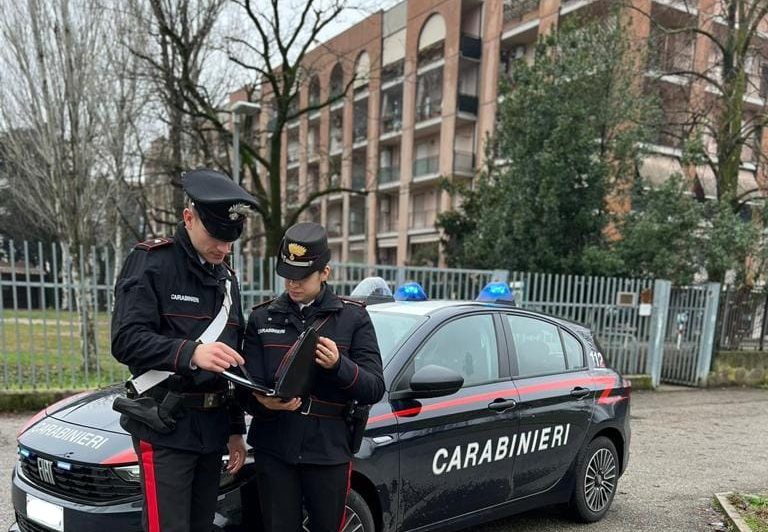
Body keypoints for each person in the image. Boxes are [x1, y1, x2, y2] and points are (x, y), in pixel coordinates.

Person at [111, 168, 257, 532]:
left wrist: (235, 430)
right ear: (188, 218)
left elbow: (230, 361)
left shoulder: (226, 279)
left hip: (212, 427)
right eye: (216, 237)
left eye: (231, 241)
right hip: (166, 424)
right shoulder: (153, 262)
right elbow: (126, 340)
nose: (224, 249)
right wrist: (190, 353)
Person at [241, 222, 385, 532]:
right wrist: (264, 403)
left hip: (328, 448)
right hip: (275, 446)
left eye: (302, 277)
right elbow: (244, 388)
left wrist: (338, 365)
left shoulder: (353, 318)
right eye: (287, 276)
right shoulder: (262, 317)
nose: (293, 284)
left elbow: (374, 387)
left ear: (324, 272)